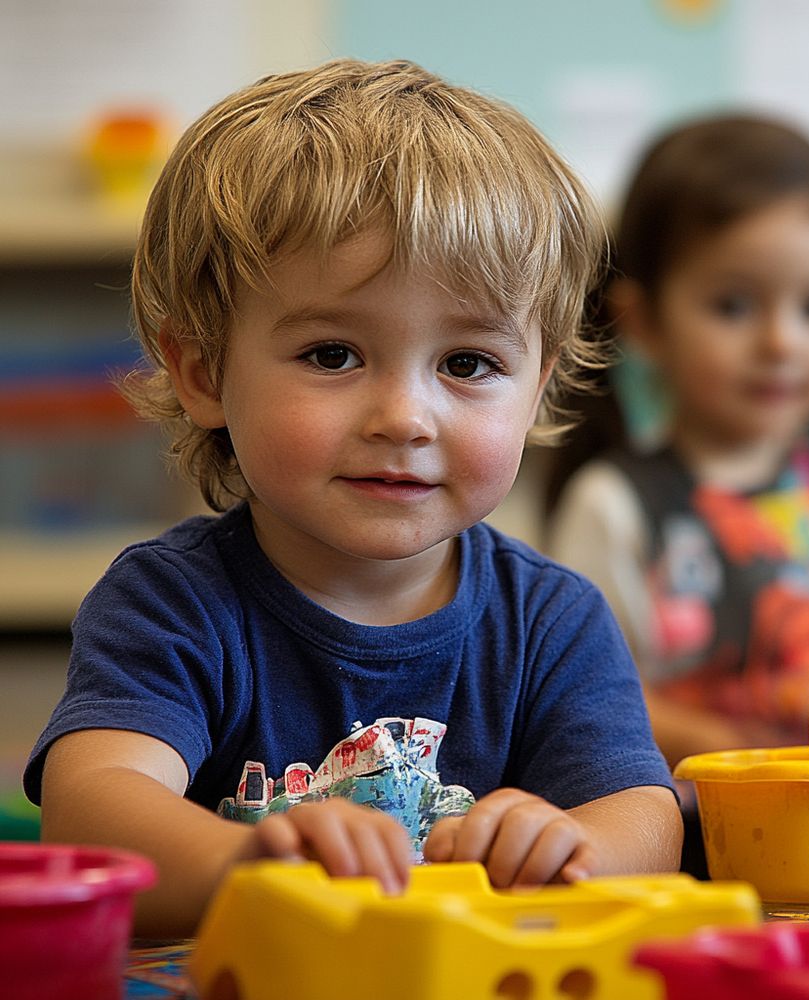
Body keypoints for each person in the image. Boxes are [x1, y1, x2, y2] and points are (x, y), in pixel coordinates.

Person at [23, 59, 682, 938]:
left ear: (536, 389)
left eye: (468, 364)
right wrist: (250, 867)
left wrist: (573, 846)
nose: (405, 418)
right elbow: (94, 809)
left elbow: (648, 818)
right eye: (332, 355)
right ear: (204, 373)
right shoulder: (169, 604)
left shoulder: (552, 621)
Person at [548, 113, 809, 769]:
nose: (781, 342)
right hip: (693, 820)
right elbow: (583, 693)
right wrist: (722, 751)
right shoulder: (612, 504)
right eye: (734, 306)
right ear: (645, 321)